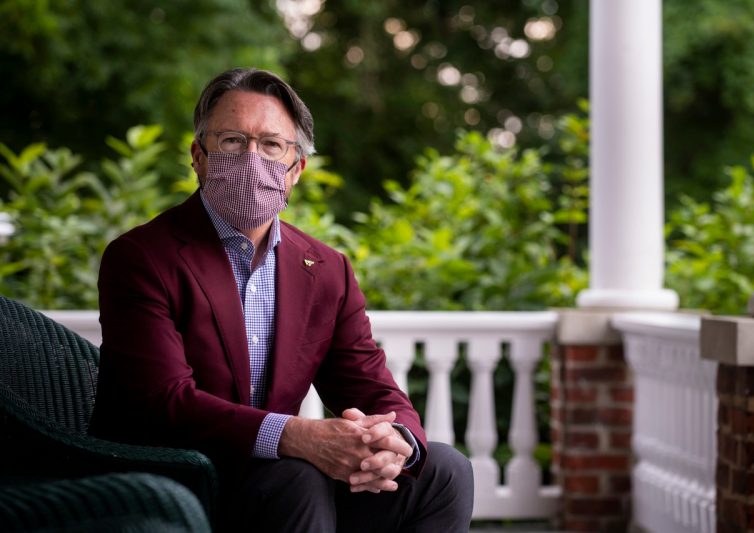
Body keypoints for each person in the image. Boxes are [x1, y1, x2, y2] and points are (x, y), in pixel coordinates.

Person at [89, 67, 474, 532]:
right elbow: (163, 401)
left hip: (276, 483)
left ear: (297, 169)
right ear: (199, 156)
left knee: (445, 472)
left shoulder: (327, 268)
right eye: (232, 140)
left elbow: (370, 385)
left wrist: (394, 442)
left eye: (272, 145)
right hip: (177, 480)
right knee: (298, 475)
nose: (253, 159)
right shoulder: (142, 257)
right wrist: (296, 436)